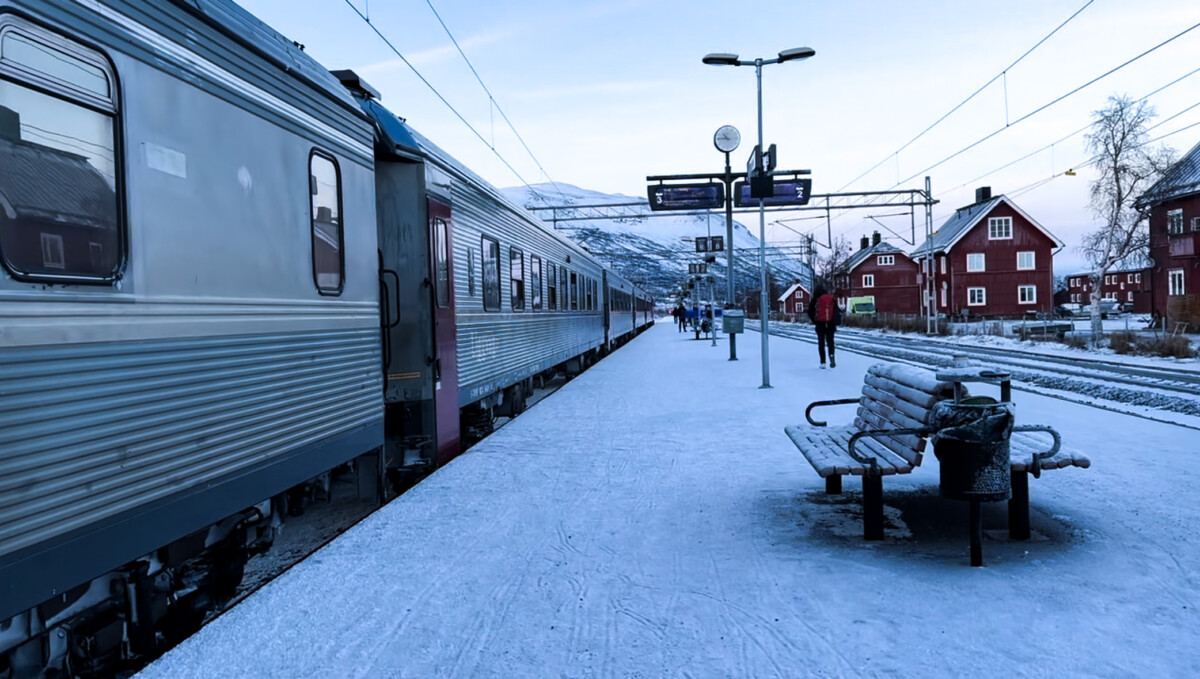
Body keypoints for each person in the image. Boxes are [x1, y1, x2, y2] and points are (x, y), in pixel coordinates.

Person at [806, 287, 841, 369]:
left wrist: (815, 321)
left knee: (821, 343)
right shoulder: (831, 299)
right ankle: (831, 355)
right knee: (830, 342)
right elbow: (837, 312)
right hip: (830, 324)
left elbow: (810, 312)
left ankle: (823, 362)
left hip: (820, 324)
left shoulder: (815, 300)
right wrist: (834, 322)